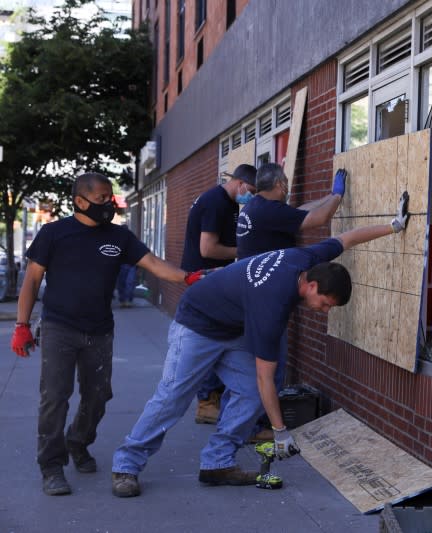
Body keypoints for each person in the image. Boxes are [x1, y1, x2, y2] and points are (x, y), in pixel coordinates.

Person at [110, 192, 410, 498]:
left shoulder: (307, 260)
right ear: (313, 286)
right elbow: (265, 377)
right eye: (324, 304)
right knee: (173, 396)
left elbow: (347, 238)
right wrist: (280, 432)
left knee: (249, 394)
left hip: (232, 326)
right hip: (197, 324)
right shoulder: (273, 305)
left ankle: (217, 463)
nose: (324, 310)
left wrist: (394, 226)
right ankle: (126, 465)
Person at [10, 172, 208, 497]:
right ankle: (51, 466)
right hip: (59, 327)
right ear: (79, 201)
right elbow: (31, 281)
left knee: (98, 397)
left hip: (100, 331)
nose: (109, 204)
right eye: (102, 198)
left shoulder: (119, 237)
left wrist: (187, 278)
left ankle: (78, 441)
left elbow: (153, 264)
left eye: (110, 197)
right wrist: (21, 325)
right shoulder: (53, 234)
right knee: (54, 397)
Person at [235, 163, 347, 440]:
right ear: (281, 185)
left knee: (252, 368)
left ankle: (247, 425)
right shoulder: (268, 211)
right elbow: (318, 219)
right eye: (286, 185)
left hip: (251, 294)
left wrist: (327, 196)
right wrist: (337, 197)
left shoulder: (256, 208)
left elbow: (299, 213)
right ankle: (255, 426)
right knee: (269, 369)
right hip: (266, 298)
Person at [181, 164, 257, 426]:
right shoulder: (216, 202)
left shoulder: (226, 202)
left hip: (211, 280)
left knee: (219, 338)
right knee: (212, 339)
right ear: (240, 184)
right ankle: (206, 401)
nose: (252, 197)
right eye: (252, 191)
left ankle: (211, 399)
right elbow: (208, 248)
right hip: (205, 279)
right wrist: (243, 252)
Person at [116, 225, 138, 307]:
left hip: (131, 265)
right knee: (121, 283)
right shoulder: (117, 241)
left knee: (130, 282)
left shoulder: (132, 240)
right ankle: (122, 300)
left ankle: (128, 300)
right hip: (121, 265)